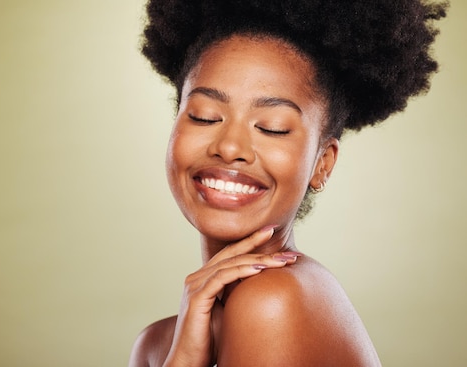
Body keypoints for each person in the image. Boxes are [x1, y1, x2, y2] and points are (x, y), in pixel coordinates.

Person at [128, 1, 448, 366]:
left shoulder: (272, 302)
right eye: (204, 117)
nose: (230, 147)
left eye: (271, 127)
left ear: (322, 163)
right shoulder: (158, 343)